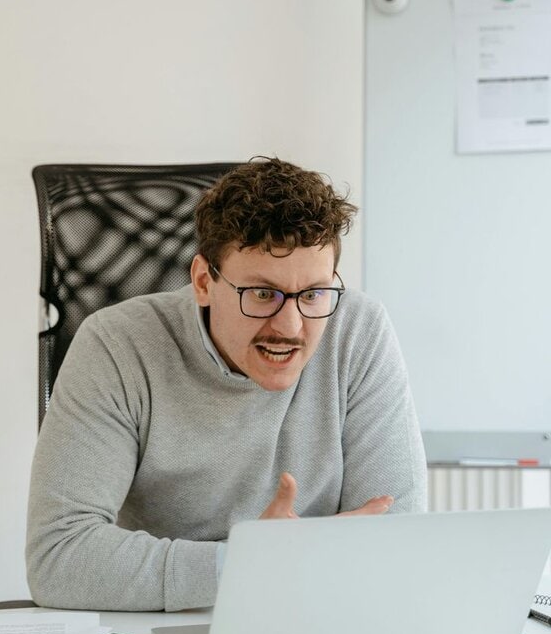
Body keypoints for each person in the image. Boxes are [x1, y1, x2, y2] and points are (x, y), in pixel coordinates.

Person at [26, 157, 427, 611]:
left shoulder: (359, 330)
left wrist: (277, 570)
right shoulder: (116, 345)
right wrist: (245, 566)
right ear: (203, 281)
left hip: (312, 616)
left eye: (313, 293)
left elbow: (396, 534)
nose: (291, 326)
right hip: (162, 625)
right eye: (262, 294)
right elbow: (59, 558)